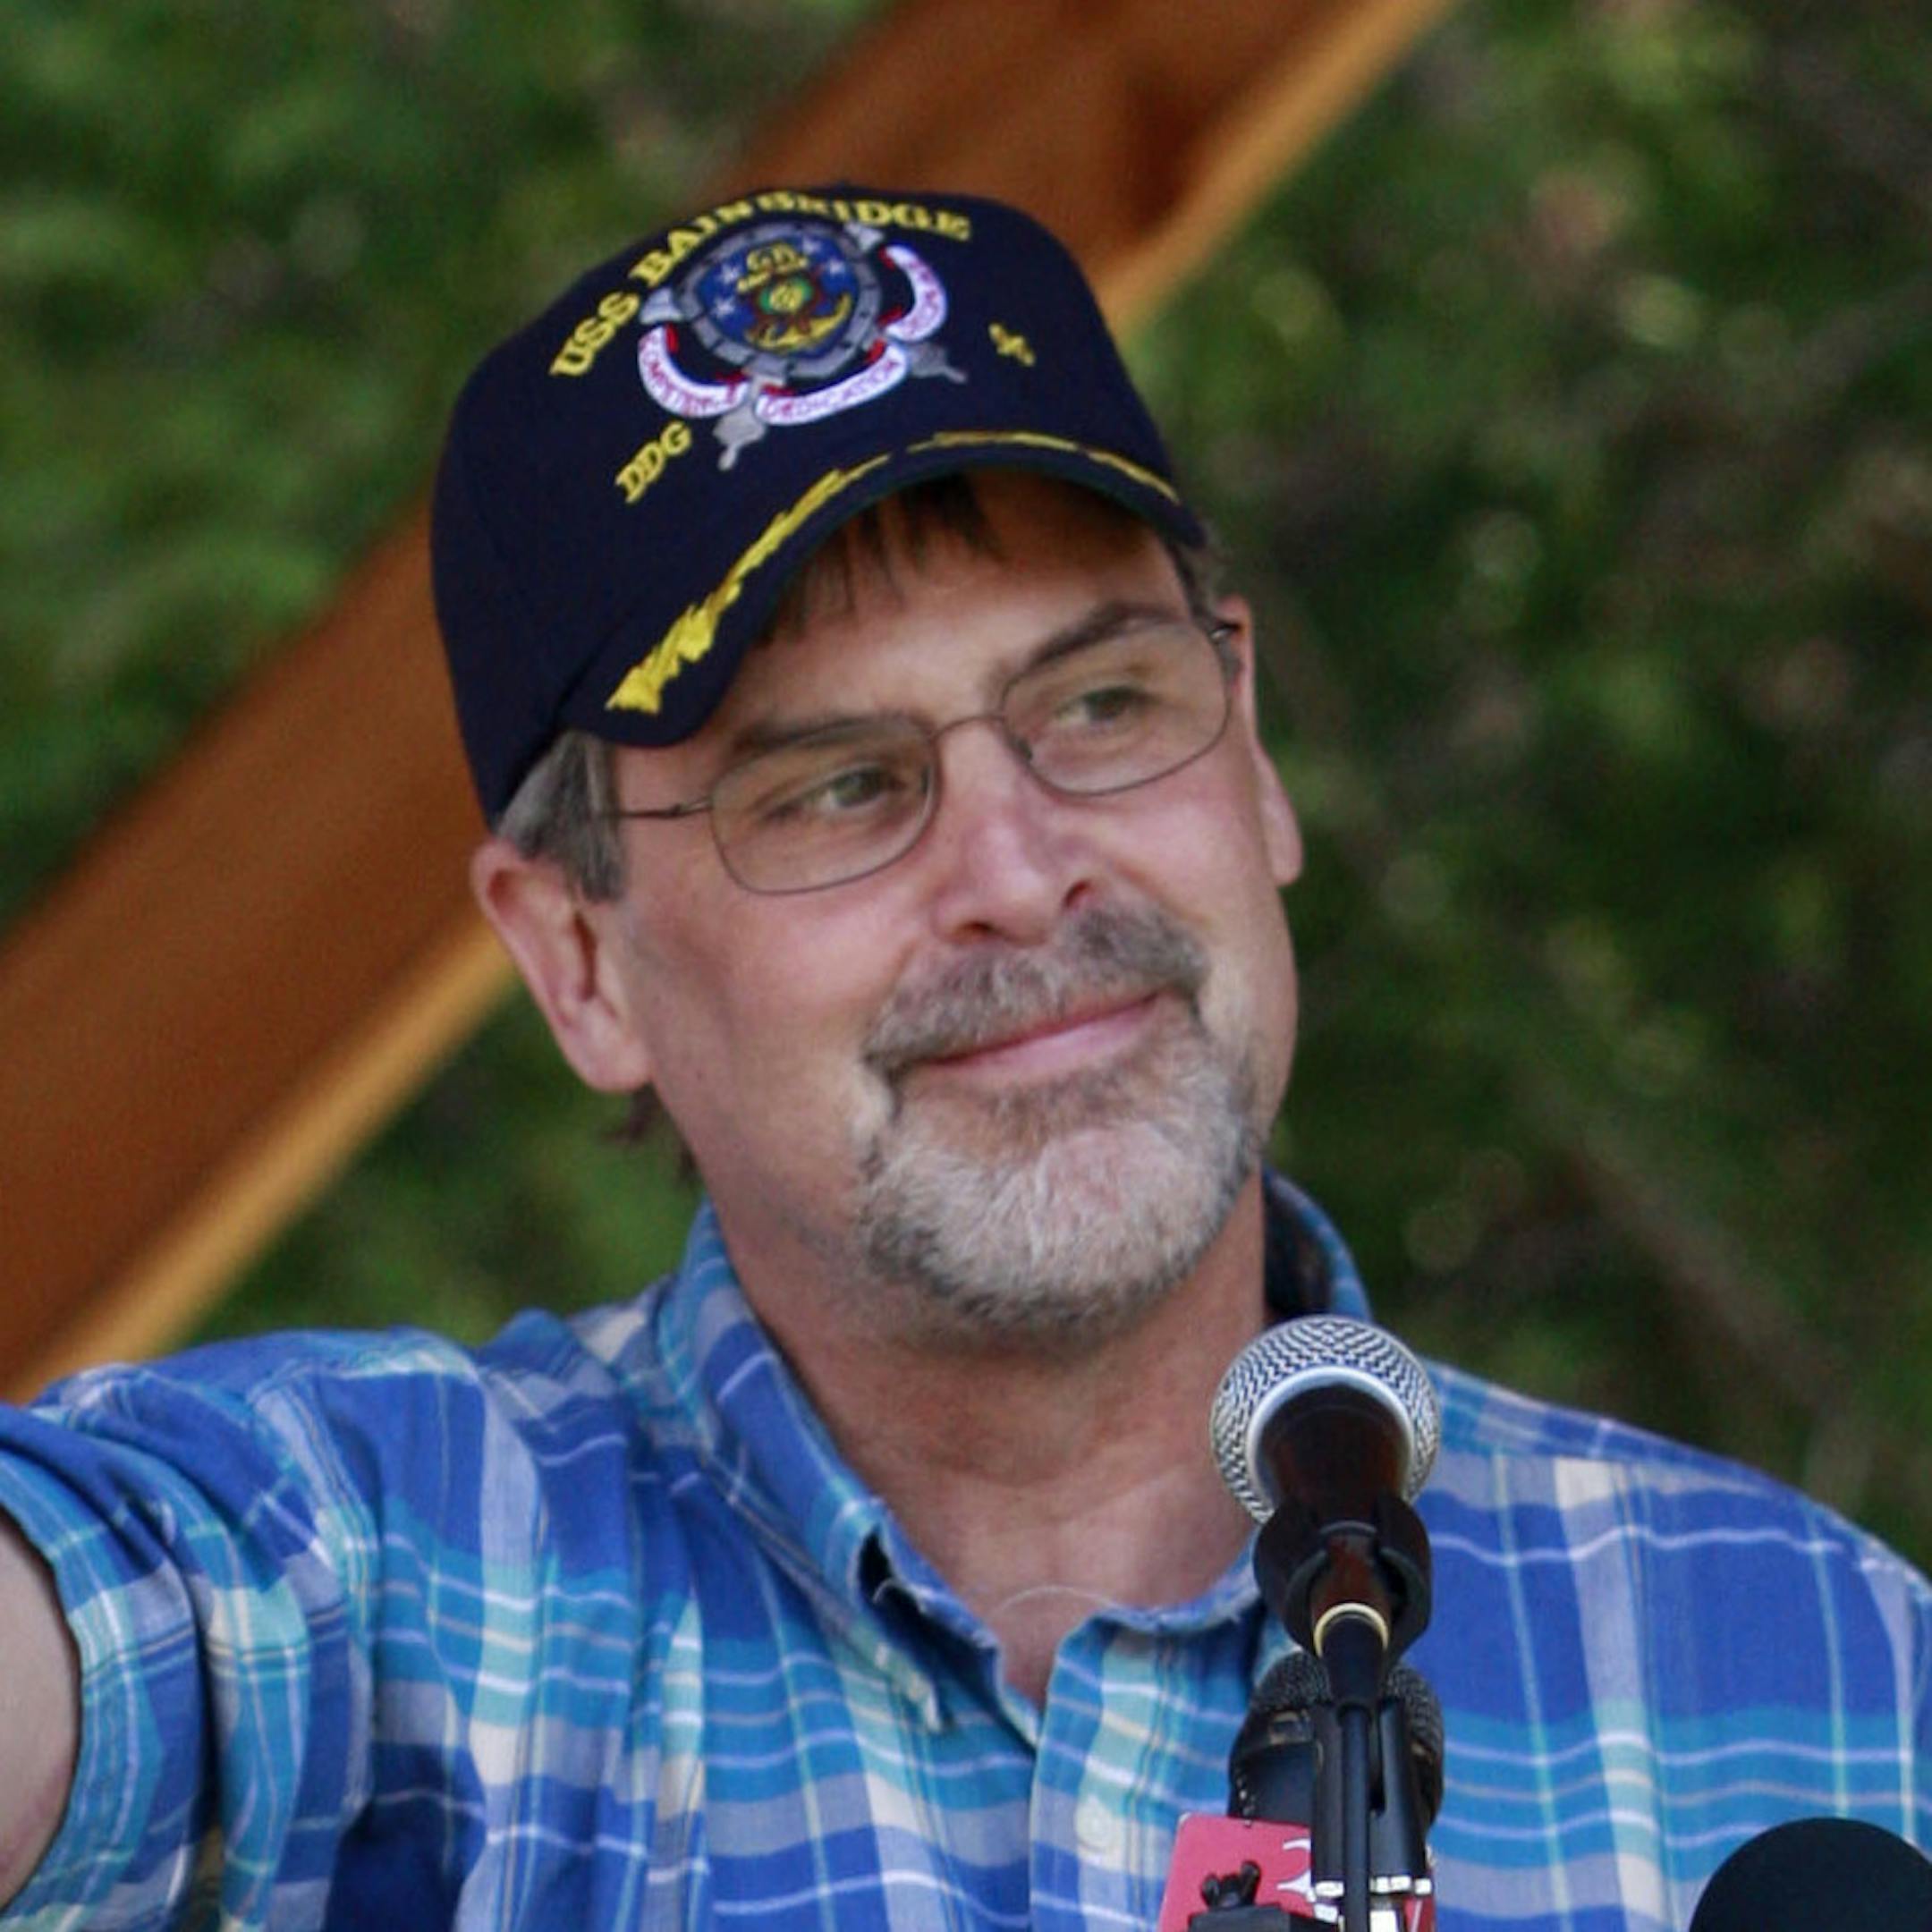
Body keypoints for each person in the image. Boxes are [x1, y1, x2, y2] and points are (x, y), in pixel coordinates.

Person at [0, 184, 1926, 1932]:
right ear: (579, 960)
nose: (1018, 872)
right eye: (839, 789)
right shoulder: (397, 1566)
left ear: (1251, 755)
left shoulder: (1831, 1673)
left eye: (1101, 703)